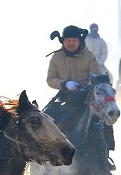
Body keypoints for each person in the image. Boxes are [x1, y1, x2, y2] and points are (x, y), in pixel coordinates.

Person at [45, 25, 114, 167]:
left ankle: (105, 156)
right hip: (64, 96)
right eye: (68, 40)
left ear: (79, 41)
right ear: (63, 41)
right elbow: (50, 79)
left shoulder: (89, 56)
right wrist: (64, 84)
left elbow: (98, 76)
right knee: (46, 117)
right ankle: (47, 155)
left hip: (86, 98)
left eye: (74, 40)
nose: (71, 43)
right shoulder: (56, 57)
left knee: (105, 120)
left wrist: (87, 85)